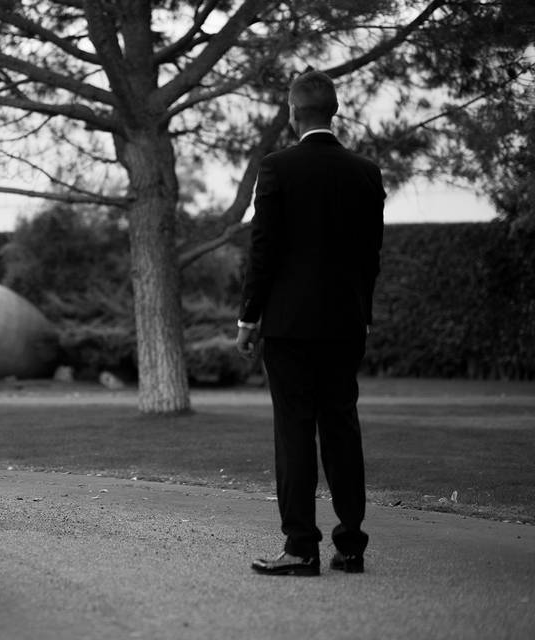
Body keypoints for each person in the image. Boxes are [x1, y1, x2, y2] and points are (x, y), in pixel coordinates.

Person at [236, 71, 385, 576]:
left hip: (289, 326)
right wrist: (362, 313)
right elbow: (371, 255)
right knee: (342, 428)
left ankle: (300, 547)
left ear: (294, 114)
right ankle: (350, 547)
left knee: (295, 432)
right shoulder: (366, 172)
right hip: (345, 324)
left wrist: (248, 316)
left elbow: (264, 250)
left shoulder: (277, 167)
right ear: (335, 110)